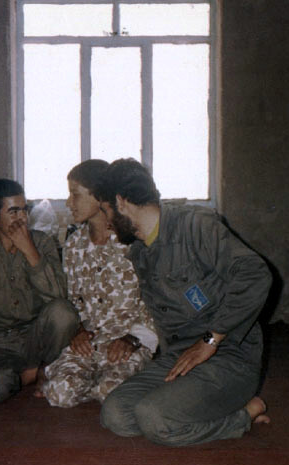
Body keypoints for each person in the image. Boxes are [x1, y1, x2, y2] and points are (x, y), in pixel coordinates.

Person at [96, 159, 272, 446]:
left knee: (154, 417)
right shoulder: (140, 252)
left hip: (229, 356)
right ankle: (195, 407)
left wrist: (210, 340)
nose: (106, 222)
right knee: (115, 413)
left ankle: (244, 415)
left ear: (121, 202)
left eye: (106, 210)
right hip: (180, 357)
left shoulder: (196, 226)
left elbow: (255, 274)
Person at [40, 160, 158, 407]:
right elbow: (75, 299)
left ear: (99, 197)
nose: (69, 203)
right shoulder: (74, 245)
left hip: (128, 343)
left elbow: (155, 301)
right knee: (60, 394)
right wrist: (78, 331)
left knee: (109, 392)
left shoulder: (132, 240)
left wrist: (134, 339)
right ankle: (86, 380)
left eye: (75, 194)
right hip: (92, 342)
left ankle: (117, 382)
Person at [0, 179, 78, 401]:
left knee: (63, 312)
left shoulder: (41, 242)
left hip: (36, 337)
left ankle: (45, 367)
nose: (22, 218)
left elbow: (59, 295)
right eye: (13, 212)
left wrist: (29, 250)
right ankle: (31, 375)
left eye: (24, 210)